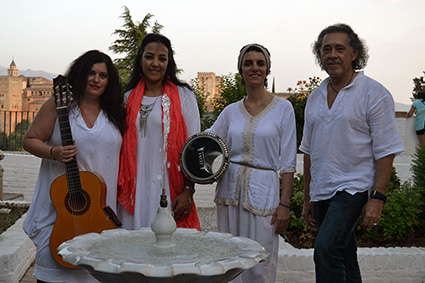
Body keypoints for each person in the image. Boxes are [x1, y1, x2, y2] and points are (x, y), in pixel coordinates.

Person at [300, 23, 405, 282]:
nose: (332, 54)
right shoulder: (314, 97)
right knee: (344, 256)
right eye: (326, 49)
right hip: (323, 189)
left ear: (354, 54)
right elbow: (309, 151)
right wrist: (307, 198)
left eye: (339, 48)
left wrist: (377, 198)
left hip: (353, 188)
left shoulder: (374, 93)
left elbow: (386, 150)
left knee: (325, 250)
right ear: (320, 55)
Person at [22, 50, 126, 282]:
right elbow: (29, 140)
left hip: (99, 216)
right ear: (80, 75)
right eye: (91, 73)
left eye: (103, 75)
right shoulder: (59, 107)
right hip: (61, 214)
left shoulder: (115, 113)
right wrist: (53, 152)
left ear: (110, 81)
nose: (96, 79)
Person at [207, 43, 297, 283]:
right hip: (229, 192)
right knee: (228, 260)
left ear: (267, 70)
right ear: (241, 70)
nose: (254, 68)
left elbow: (288, 161)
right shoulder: (230, 112)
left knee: (260, 263)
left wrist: (285, 204)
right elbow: (207, 142)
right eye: (248, 63)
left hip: (264, 192)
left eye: (260, 63)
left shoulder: (284, 109)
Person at [117, 33, 201, 230]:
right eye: (149, 57)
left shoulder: (184, 96)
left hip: (170, 188)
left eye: (162, 58)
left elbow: (194, 145)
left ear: (168, 62)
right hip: (135, 189)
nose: (155, 63)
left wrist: (188, 190)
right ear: (141, 60)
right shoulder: (127, 98)